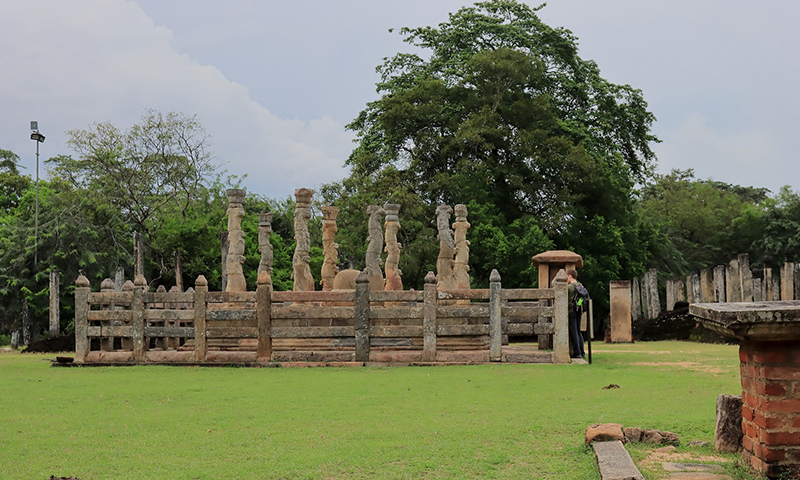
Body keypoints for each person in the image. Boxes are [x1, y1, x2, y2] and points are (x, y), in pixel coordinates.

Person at [566, 269, 585, 359]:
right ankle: (582, 352)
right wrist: (578, 305)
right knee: (578, 331)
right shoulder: (580, 285)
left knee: (573, 332)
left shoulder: (569, 287)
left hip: (571, 311)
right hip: (578, 311)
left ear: (570, 276)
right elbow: (582, 298)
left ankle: (577, 352)